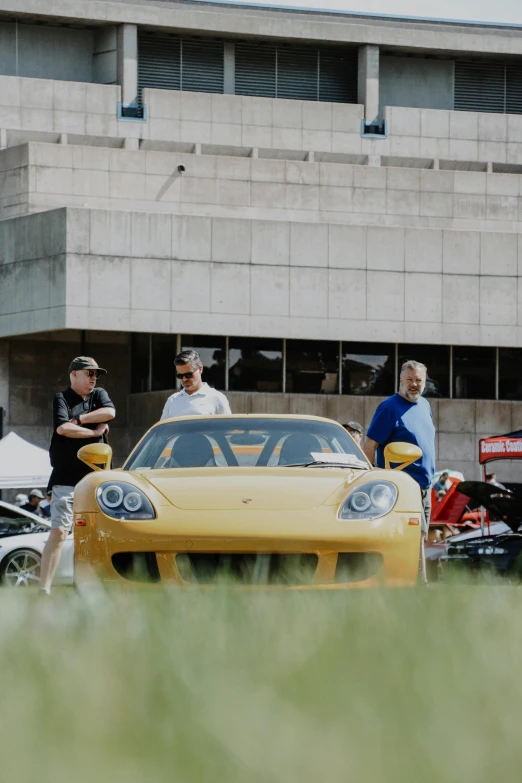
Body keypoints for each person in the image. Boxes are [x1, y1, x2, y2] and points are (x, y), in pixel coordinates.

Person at [39, 357, 116, 595]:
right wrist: (94, 431)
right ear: (74, 375)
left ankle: (91, 587)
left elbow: (109, 412)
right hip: (65, 478)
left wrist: (80, 420)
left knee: (96, 537)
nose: (94, 378)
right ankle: (44, 589)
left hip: (96, 480)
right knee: (60, 532)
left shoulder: (99, 394)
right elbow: (63, 428)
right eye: (88, 373)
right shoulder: (61, 398)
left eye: (96, 374)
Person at [363, 360, 436, 581]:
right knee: (410, 537)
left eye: (419, 380)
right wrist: (373, 478)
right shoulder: (389, 408)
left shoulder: (424, 405)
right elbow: (369, 445)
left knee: (420, 536)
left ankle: (416, 583)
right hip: (403, 487)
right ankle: (412, 584)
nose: (414, 384)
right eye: (410, 380)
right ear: (401, 380)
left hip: (425, 485)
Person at [161, 350, 231, 419]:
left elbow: (227, 428)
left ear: (200, 369)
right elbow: (163, 429)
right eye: (180, 376)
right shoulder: (172, 400)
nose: (184, 379)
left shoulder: (217, 398)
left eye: (188, 375)